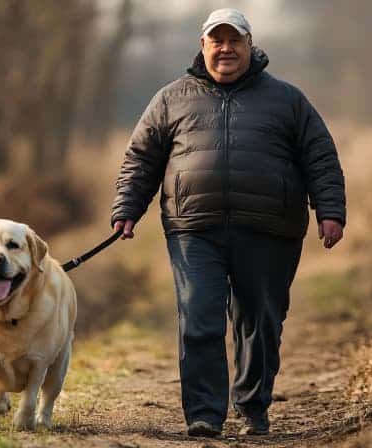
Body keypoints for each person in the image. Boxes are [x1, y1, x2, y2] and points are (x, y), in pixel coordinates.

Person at [110, 8, 346, 438]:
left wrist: (329, 211)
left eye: (234, 40)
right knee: (199, 317)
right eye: (216, 41)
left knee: (260, 322)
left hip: (270, 229)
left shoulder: (288, 99)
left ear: (250, 45)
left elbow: (321, 156)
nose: (226, 49)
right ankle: (204, 413)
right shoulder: (170, 98)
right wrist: (127, 207)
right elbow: (141, 158)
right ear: (202, 47)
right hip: (193, 229)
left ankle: (253, 406)